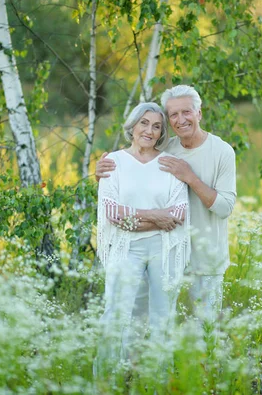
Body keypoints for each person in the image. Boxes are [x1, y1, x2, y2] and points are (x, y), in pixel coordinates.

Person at [96, 85, 237, 324]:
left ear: (199, 113)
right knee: (150, 322)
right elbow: (134, 174)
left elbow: (224, 208)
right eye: (173, 114)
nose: (180, 120)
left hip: (204, 259)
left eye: (187, 112)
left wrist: (190, 177)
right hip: (163, 254)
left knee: (206, 330)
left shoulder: (222, 151)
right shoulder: (164, 150)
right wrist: (102, 173)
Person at [94, 102, 190, 378]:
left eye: (156, 126)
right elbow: (112, 211)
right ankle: (110, 377)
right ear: (133, 126)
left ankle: (158, 378)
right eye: (144, 123)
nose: (149, 130)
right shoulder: (114, 161)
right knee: (117, 313)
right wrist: (157, 216)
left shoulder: (169, 164)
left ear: (161, 133)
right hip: (126, 246)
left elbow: (179, 212)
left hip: (164, 247)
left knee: (162, 315)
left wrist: (151, 218)